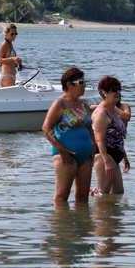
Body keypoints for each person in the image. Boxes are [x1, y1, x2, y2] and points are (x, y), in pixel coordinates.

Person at [43, 67, 95, 205]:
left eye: (84, 82)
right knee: (61, 198)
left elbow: (89, 127)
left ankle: (83, 226)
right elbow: (46, 129)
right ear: (69, 85)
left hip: (86, 156)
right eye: (81, 82)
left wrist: (93, 149)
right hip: (65, 156)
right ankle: (62, 226)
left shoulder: (84, 104)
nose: (84, 85)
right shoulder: (60, 104)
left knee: (83, 199)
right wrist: (62, 151)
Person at [92, 75, 131, 196]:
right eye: (113, 90)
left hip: (114, 156)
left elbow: (117, 137)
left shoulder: (113, 111)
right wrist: (106, 160)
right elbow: (99, 139)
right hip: (104, 156)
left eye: (118, 89)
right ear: (104, 92)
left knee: (118, 193)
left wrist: (124, 155)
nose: (117, 92)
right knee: (104, 195)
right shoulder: (102, 113)